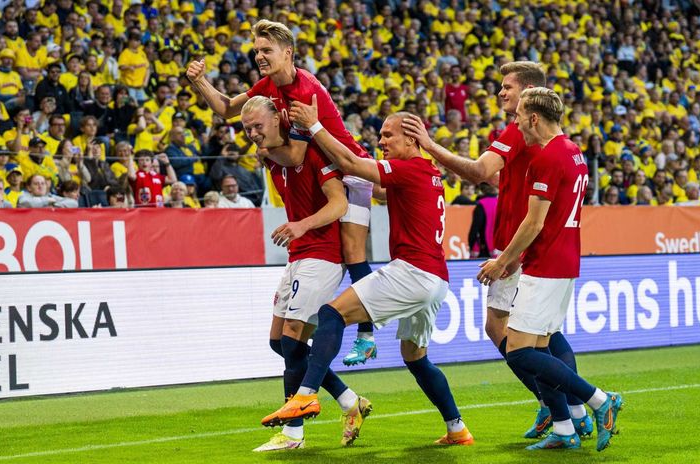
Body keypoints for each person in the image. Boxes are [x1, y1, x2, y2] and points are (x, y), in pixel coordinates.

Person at [402, 61, 592, 438]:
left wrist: (428, 145)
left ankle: (562, 409)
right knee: (545, 334)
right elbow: (499, 175)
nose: (501, 93)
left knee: (519, 332)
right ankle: (568, 409)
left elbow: (477, 171)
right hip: (528, 247)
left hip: (522, 247)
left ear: (528, 94)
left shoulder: (520, 130)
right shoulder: (542, 138)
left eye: (508, 87)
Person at [266, 99, 473, 446]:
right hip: (436, 278)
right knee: (416, 358)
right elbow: (373, 188)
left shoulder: (410, 169)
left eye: (388, 136)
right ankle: (457, 429)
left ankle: (305, 394)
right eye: (380, 136)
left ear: (412, 140)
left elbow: (351, 162)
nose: (381, 142)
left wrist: (316, 127)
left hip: (412, 271)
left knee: (331, 314)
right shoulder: (427, 173)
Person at [186, 19, 378, 365]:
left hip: (353, 169)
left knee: (353, 250)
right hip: (333, 166)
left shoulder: (305, 90)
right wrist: (200, 81)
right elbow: (228, 109)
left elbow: (294, 156)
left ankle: (366, 334)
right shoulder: (269, 84)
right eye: (256, 50)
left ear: (288, 53)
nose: (259, 56)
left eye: (266, 50)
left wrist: (263, 151)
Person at [476, 88, 622, 452]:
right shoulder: (574, 152)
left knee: (521, 353)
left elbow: (533, 223)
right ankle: (563, 429)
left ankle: (601, 401)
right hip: (565, 262)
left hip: (545, 266)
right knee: (541, 350)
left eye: (519, 115)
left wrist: (503, 261)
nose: (517, 123)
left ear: (534, 118)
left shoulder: (546, 158)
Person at [241, 96, 370, 452]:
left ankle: (293, 433)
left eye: (258, 126)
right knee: (278, 342)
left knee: (294, 340)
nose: (252, 134)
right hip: (299, 254)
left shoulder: (314, 152)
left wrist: (302, 225)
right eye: (247, 129)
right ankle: (349, 401)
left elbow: (339, 203)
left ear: (279, 120)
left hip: (323, 254)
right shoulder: (273, 159)